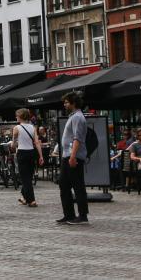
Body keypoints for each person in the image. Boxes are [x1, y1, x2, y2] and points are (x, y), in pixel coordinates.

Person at [57, 92, 89, 225]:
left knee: (78, 185)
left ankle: (82, 216)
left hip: (73, 156)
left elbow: (77, 138)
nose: (64, 105)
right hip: (67, 155)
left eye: (66, 102)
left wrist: (73, 156)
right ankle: (69, 214)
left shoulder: (78, 117)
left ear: (73, 103)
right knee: (63, 184)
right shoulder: (73, 116)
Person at [13, 108, 43, 207]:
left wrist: (13, 144)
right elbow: (37, 142)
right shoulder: (32, 127)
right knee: (29, 176)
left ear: (21, 117)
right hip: (31, 153)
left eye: (17, 115)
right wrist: (41, 156)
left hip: (22, 153)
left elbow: (13, 144)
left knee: (25, 178)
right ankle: (24, 197)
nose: (16, 117)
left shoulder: (16, 128)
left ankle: (32, 200)